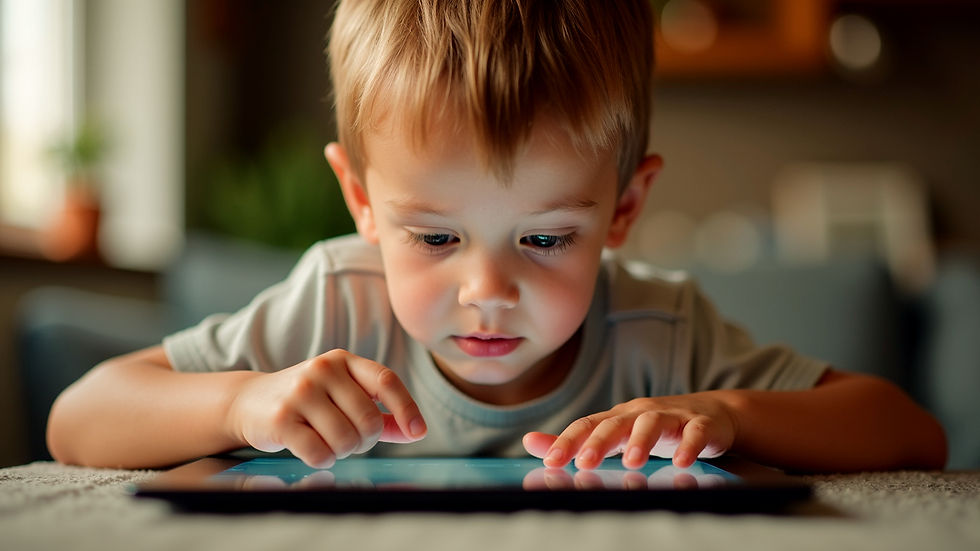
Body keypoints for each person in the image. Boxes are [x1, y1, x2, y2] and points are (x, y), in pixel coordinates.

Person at [47, 0, 946, 473]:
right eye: (435, 239)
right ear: (361, 201)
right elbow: (78, 419)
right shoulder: (333, 300)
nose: (487, 289)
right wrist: (239, 403)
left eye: (547, 240)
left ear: (623, 212)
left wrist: (731, 415)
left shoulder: (660, 331)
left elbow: (908, 434)